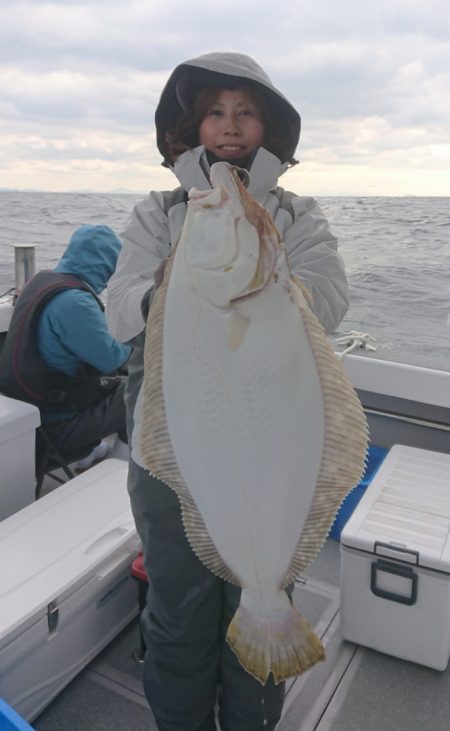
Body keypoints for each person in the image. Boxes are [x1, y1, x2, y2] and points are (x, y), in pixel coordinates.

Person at [106, 52, 349, 731]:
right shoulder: (159, 214)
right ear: (191, 125)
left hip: (273, 444)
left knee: (262, 587)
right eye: (214, 111)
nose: (230, 126)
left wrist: (276, 284)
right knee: (179, 607)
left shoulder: (296, 217)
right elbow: (117, 308)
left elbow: (330, 300)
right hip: (178, 448)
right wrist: (166, 291)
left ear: (268, 125)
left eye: (245, 112)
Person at [0, 224, 130, 462]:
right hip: (56, 427)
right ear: (108, 262)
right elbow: (114, 359)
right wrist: (138, 340)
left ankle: (91, 452)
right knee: (141, 390)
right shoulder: (74, 302)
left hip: (33, 409)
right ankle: (118, 465)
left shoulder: (41, 282)